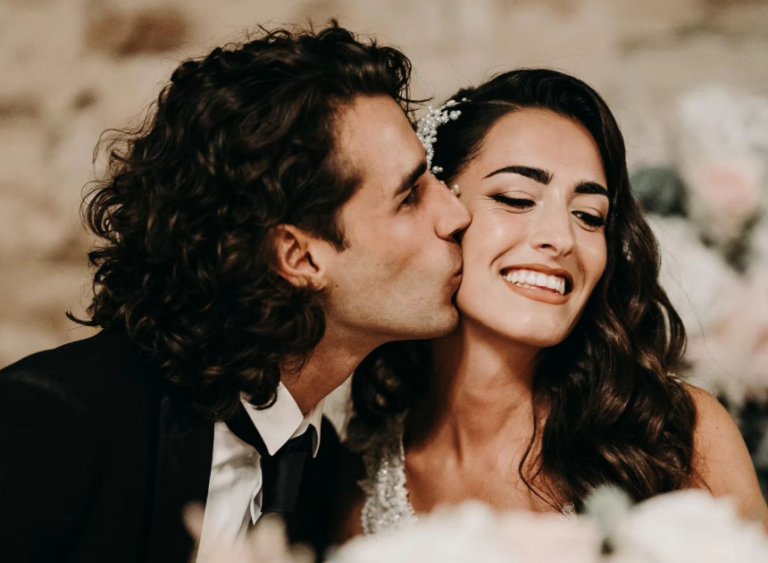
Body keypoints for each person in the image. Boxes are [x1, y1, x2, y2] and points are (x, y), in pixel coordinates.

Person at [0, 22, 470, 563]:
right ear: (299, 258)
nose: (456, 214)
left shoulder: (324, 475)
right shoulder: (60, 423)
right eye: (410, 196)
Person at [335, 68, 768, 539]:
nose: (561, 239)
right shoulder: (351, 476)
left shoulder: (678, 436)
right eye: (517, 199)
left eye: (589, 216)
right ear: (434, 209)